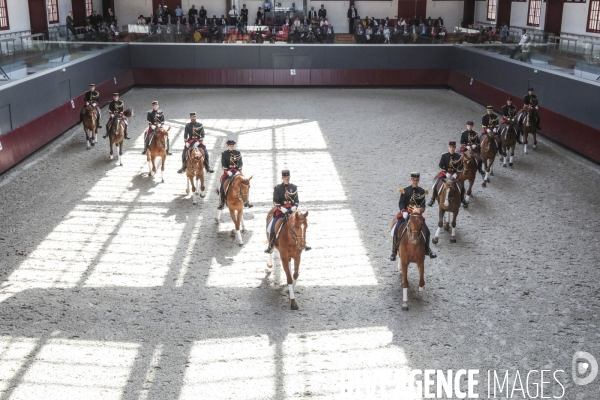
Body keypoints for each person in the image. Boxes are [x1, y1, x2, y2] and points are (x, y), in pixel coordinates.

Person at [390, 172, 436, 261]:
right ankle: (394, 251)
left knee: (427, 231)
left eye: (416, 180)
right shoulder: (405, 190)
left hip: (417, 215)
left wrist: (419, 210)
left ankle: (428, 250)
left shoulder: (421, 191)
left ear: (418, 181)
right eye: (413, 180)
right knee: (396, 230)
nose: (415, 182)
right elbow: (401, 203)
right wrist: (403, 211)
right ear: (411, 180)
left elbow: (423, 205)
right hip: (406, 213)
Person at [265, 170, 311, 253]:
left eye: (288, 177)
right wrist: (281, 207)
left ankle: (304, 243)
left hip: (292, 211)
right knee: (272, 226)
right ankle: (271, 245)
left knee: (301, 225)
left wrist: (295, 206)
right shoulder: (277, 188)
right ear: (282, 178)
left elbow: (296, 200)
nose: (287, 179)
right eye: (285, 178)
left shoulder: (293, 187)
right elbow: (275, 201)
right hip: (281, 211)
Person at [428, 141, 465, 207]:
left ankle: (462, 199)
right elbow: (440, 166)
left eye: (453, 147)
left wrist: (456, 174)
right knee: (436, 184)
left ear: (455, 148)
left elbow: (461, 167)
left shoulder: (459, 156)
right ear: (448, 148)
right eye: (450, 147)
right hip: (445, 174)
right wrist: (446, 173)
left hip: (455, 174)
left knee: (462, 186)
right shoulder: (444, 156)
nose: (452, 149)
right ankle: (432, 199)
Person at [218, 139, 251, 209]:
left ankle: (247, 201)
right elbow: (223, 164)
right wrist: (227, 171)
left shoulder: (237, 153)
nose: (231, 147)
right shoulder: (224, 154)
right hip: (228, 172)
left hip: (237, 171)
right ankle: (221, 202)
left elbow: (241, 163)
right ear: (227, 146)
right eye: (230, 145)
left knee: (246, 183)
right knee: (221, 185)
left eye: (232, 145)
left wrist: (239, 170)